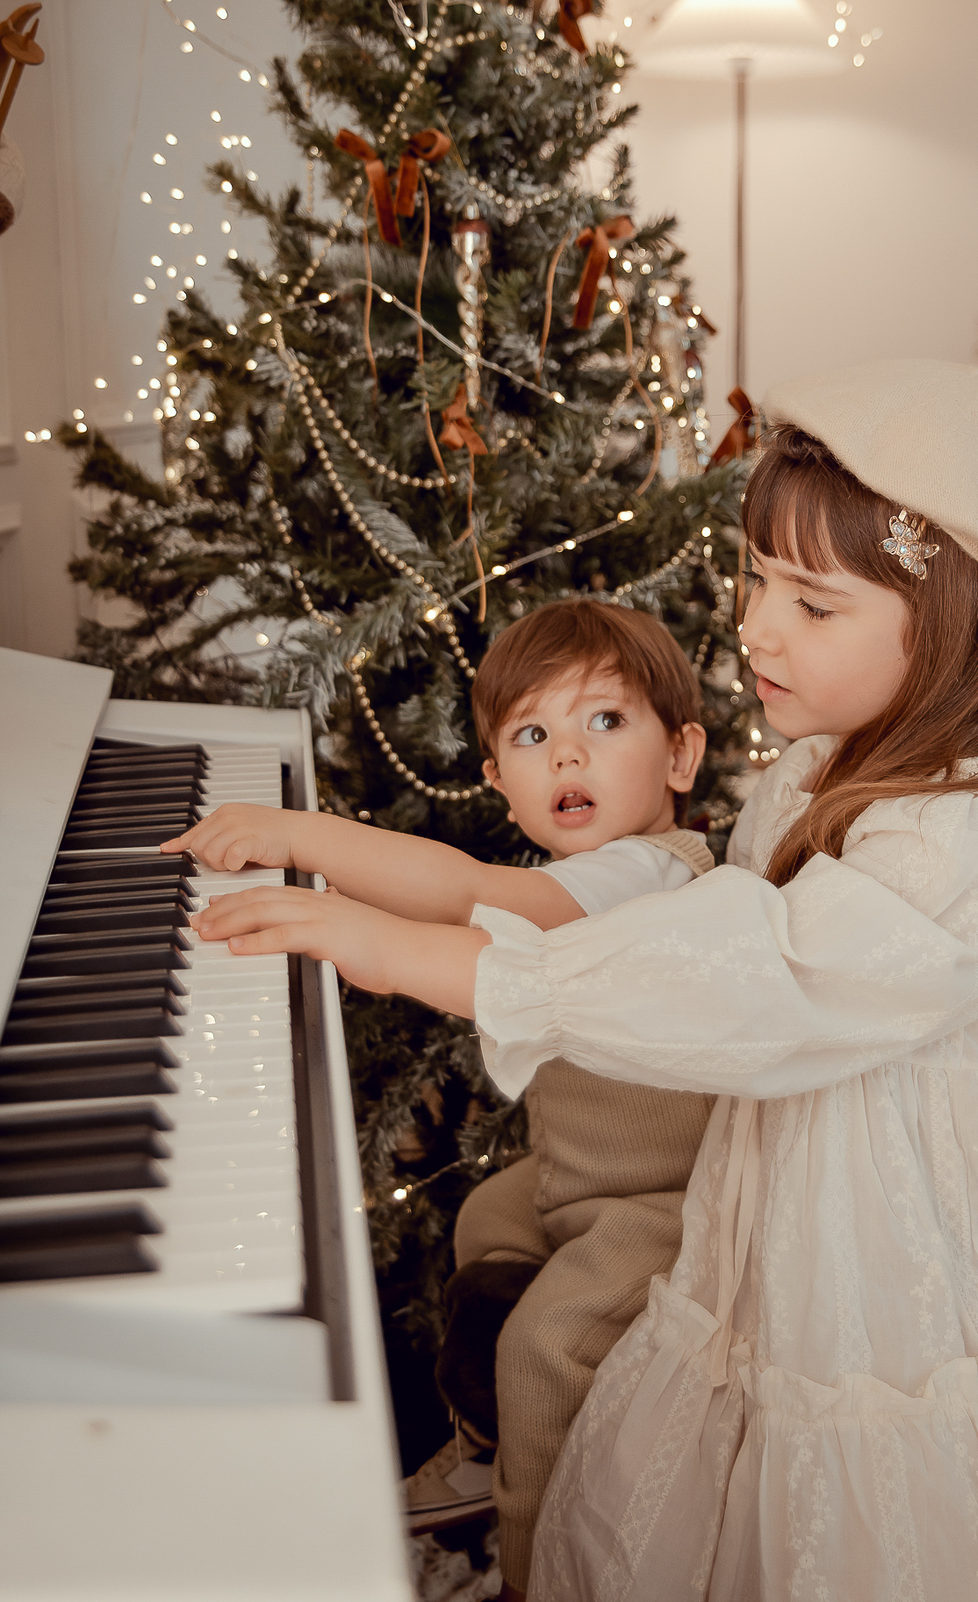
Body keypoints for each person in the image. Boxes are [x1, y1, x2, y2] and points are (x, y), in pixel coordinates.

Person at [193, 357, 978, 1602]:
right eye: (756, 577)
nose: (756, 626)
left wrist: (384, 944)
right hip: (789, 1148)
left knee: (871, 1469)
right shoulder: (818, 761)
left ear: (951, 631)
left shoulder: (967, 830)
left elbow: (762, 973)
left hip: (909, 1205)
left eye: (812, 604)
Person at [168, 598, 716, 1599]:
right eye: (534, 736)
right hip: (586, 1176)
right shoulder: (584, 877)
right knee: (490, 1214)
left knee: (549, 1343)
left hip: (669, 1202)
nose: (569, 759)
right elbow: (462, 892)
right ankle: (482, 1445)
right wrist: (334, 889)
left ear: (681, 756)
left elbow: (465, 893)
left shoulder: (650, 875)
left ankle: (539, 1559)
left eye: (605, 722)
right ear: (501, 782)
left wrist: (303, 840)